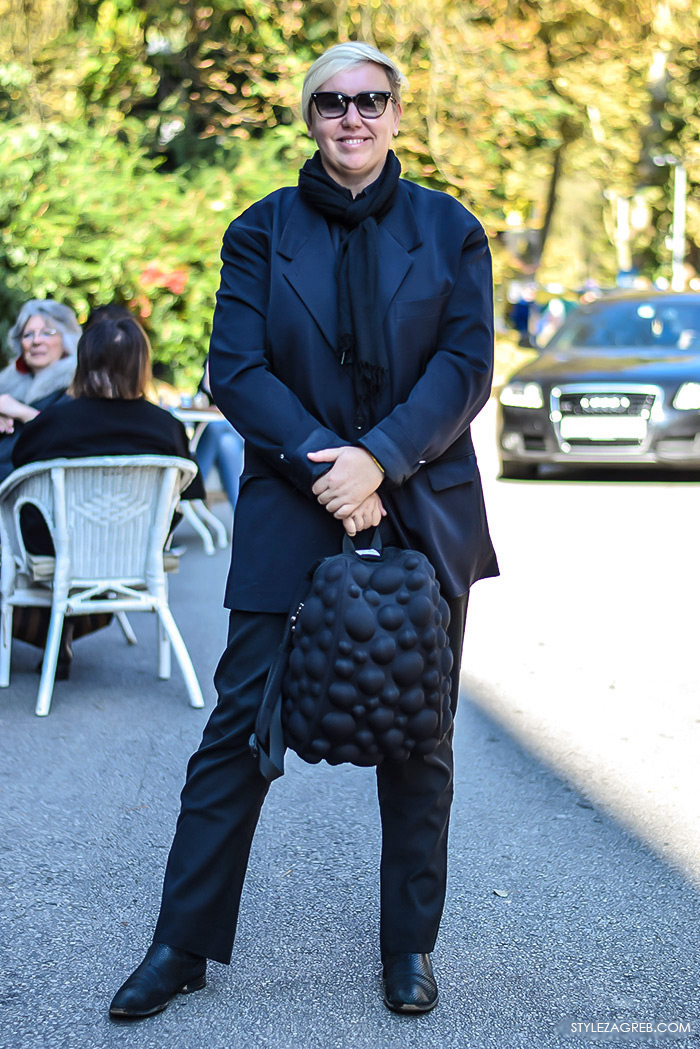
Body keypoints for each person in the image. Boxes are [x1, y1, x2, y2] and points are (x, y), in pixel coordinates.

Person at [110, 41, 498, 1020]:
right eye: (332, 102)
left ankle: (407, 948)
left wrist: (382, 461)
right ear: (310, 117)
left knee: (420, 739)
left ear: (397, 113)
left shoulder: (450, 230)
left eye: (370, 100)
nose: (352, 117)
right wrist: (334, 467)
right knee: (237, 730)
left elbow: (464, 367)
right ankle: (180, 943)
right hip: (295, 503)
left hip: (422, 506)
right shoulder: (261, 230)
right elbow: (235, 369)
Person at [10, 314, 205, 677]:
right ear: (141, 365)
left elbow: (19, 471)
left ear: (83, 363)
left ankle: (55, 629)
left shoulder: (53, 423)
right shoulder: (168, 428)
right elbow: (189, 494)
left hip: (58, 549)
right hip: (135, 551)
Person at [0, 299, 80, 480]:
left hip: (38, 490)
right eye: (28, 335)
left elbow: (73, 440)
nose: (36, 341)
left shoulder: (78, 386)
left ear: (66, 340)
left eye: (47, 333)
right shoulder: (6, 385)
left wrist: (22, 412)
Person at [193, 360, 245, 511]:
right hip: (216, 443)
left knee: (224, 439)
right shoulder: (211, 367)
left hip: (233, 437)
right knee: (220, 434)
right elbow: (206, 392)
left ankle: (239, 514)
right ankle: (240, 515)